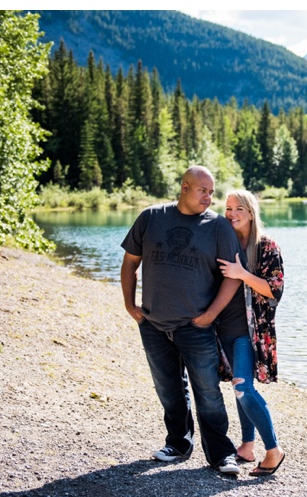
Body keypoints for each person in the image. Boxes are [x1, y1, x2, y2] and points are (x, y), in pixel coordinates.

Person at [120, 165, 242, 475]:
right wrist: (130, 305)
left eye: (212, 192)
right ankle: (178, 443)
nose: (209, 197)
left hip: (195, 326)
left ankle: (221, 455)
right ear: (185, 187)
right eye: (203, 190)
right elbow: (130, 262)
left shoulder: (218, 228)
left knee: (208, 392)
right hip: (153, 324)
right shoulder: (151, 218)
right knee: (168, 388)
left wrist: (210, 316)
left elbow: (232, 278)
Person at [216, 189, 285, 476]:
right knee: (236, 385)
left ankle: (274, 450)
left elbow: (274, 290)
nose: (231, 214)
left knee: (243, 386)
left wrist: (242, 273)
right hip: (223, 328)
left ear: (251, 213)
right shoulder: (224, 241)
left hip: (250, 331)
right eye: (228, 208)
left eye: (238, 209)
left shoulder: (267, 246)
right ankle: (246, 446)